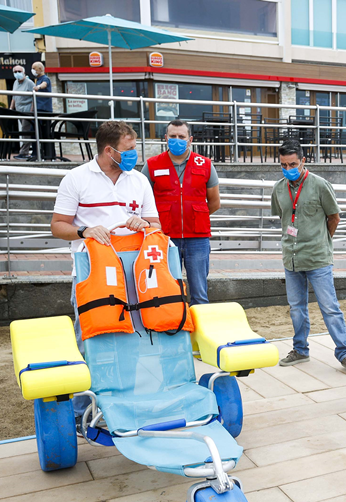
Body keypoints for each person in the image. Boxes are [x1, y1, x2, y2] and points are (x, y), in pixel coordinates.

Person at [50, 120, 160, 417]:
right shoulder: (76, 179)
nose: (133, 155)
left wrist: (144, 224)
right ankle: (82, 410)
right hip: (92, 271)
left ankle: (127, 402)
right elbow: (58, 226)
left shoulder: (138, 180)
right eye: (129, 149)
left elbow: (157, 225)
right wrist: (84, 231)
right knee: (90, 336)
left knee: (132, 334)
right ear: (109, 150)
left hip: (133, 271)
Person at [271, 139, 346, 376]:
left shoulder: (320, 185)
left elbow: (334, 217)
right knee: (296, 308)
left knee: (330, 307)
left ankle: (345, 353)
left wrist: (322, 241)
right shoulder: (279, 187)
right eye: (283, 164)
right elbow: (283, 217)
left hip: (318, 258)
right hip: (291, 257)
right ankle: (300, 349)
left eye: (292, 164)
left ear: (303, 161)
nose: (288, 168)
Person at [141, 120, 220, 305]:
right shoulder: (152, 165)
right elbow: (143, 201)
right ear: (166, 138)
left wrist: (196, 217)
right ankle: (173, 328)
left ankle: (200, 331)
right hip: (165, 238)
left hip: (198, 239)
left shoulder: (205, 164)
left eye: (181, 137)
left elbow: (215, 202)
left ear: (190, 139)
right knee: (168, 291)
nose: (177, 140)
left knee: (199, 293)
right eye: (173, 136)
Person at [9, 65, 35, 160]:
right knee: (24, 131)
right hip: (19, 110)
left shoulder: (29, 83)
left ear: (23, 72)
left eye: (19, 71)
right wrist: (11, 108)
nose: (17, 73)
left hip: (27, 111)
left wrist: (31, 111)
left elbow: (34, 97)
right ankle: (24, 151)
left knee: (25, 131)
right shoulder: (15, 83)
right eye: (15, 71)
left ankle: (24, 152)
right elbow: (14, 97)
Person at [31, 62, 54, 160]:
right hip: (38, 110)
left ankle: (47, 154)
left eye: (34, 68)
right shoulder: (38, 80)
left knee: (45, 133)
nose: (33, 70)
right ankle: (36, 154)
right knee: (35, 132)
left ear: (40, 68)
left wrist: (38, 87)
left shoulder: (45, 79)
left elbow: (44, 84)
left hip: (44, 110)